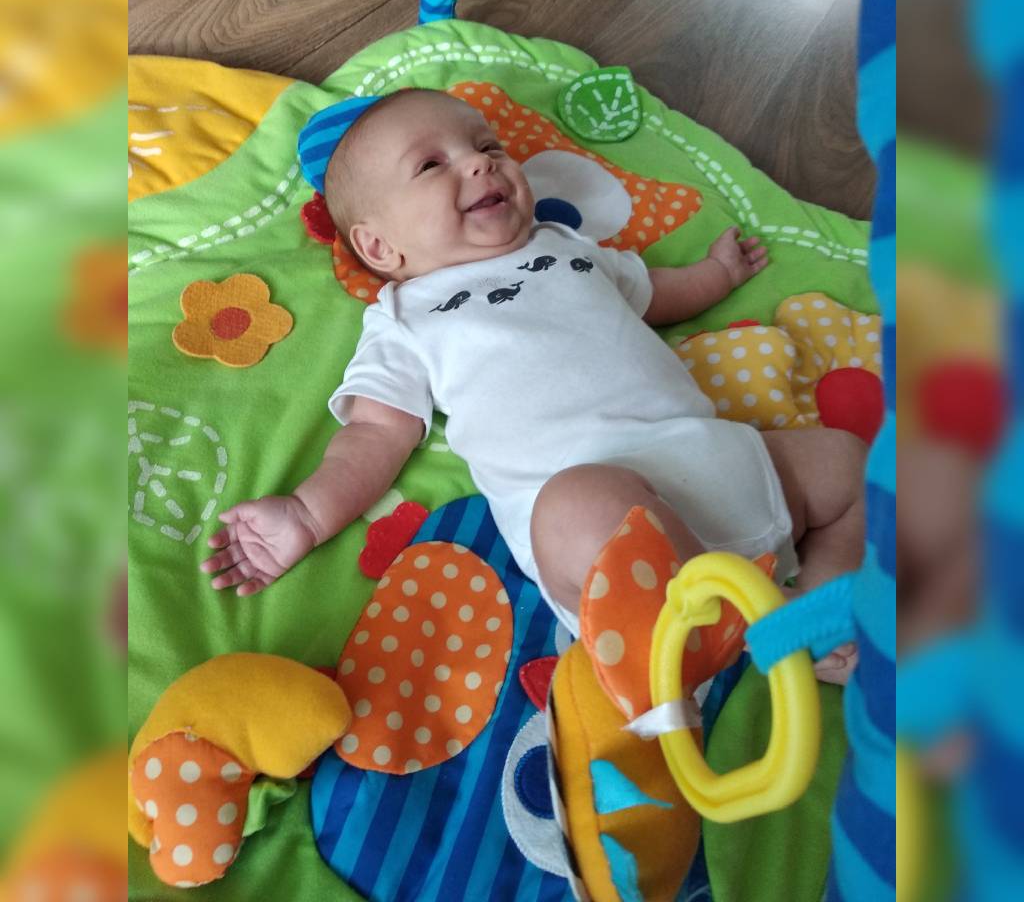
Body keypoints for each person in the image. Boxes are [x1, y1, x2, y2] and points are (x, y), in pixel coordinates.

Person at [202, 89, 864, 683]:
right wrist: (307, 515)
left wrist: (716, 276)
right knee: (577, 502)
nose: (481, 162)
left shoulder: (567, 246)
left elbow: (652, 293)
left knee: (847, 462)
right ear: (379, 248)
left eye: (487, 146)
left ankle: (823, 608)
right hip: (611, 535)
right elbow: (376, 432)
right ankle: (745, 625)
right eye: (431, 165)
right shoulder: (406, 318)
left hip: (713, 460)